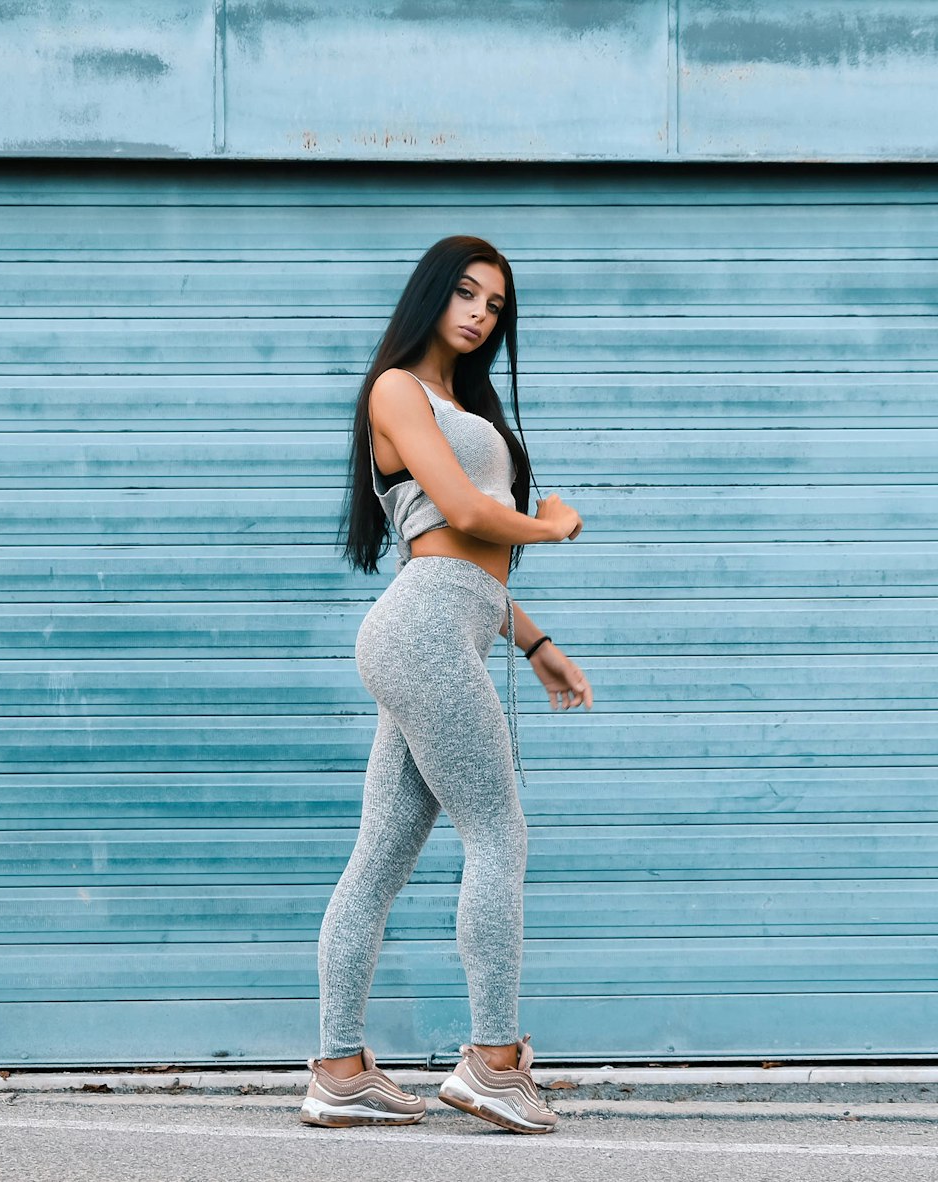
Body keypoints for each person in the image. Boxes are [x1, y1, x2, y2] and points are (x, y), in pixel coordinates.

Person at [300, 235, 591, 1135]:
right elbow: (464, 520)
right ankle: (493, 1062)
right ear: (431, 294)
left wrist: (536, 640)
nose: (478, 313)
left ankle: (338, 1071)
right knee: (499, 831)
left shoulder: (466, 404)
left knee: (380, 859)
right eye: (465, 293)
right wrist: (554, 526)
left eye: (495, 305)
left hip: (446, 624)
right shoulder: (397, 387)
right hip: (424, 628)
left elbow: (468, 562)